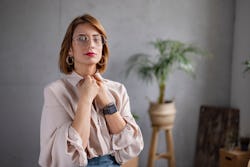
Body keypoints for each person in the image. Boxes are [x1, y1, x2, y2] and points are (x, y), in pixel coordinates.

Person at [38, 13, 144, 167]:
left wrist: (107, 102)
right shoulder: (55, 92)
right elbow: (68, 154)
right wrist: (86, 99)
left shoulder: (118, 90)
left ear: (102, 48)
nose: (91, 45)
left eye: (97, 39)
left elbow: (132, 145)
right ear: (69, 50)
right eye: (82, 38)